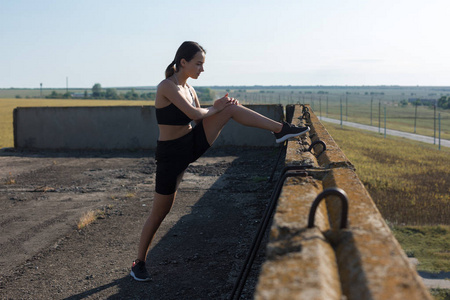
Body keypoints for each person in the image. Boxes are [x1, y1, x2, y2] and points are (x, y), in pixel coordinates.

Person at [130, 41, 309, 281]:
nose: (202, 69)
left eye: (203, 64)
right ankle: (138, 262)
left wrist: (220, 108)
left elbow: (197, 119)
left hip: (191, 143)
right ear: (183, 62)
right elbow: (194, 114)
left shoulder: (190, 89)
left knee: (231, 109)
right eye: (198, 63)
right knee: (160, 212)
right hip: (170, 155)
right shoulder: (167, 86)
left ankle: (280, 130)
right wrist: (214, 108)